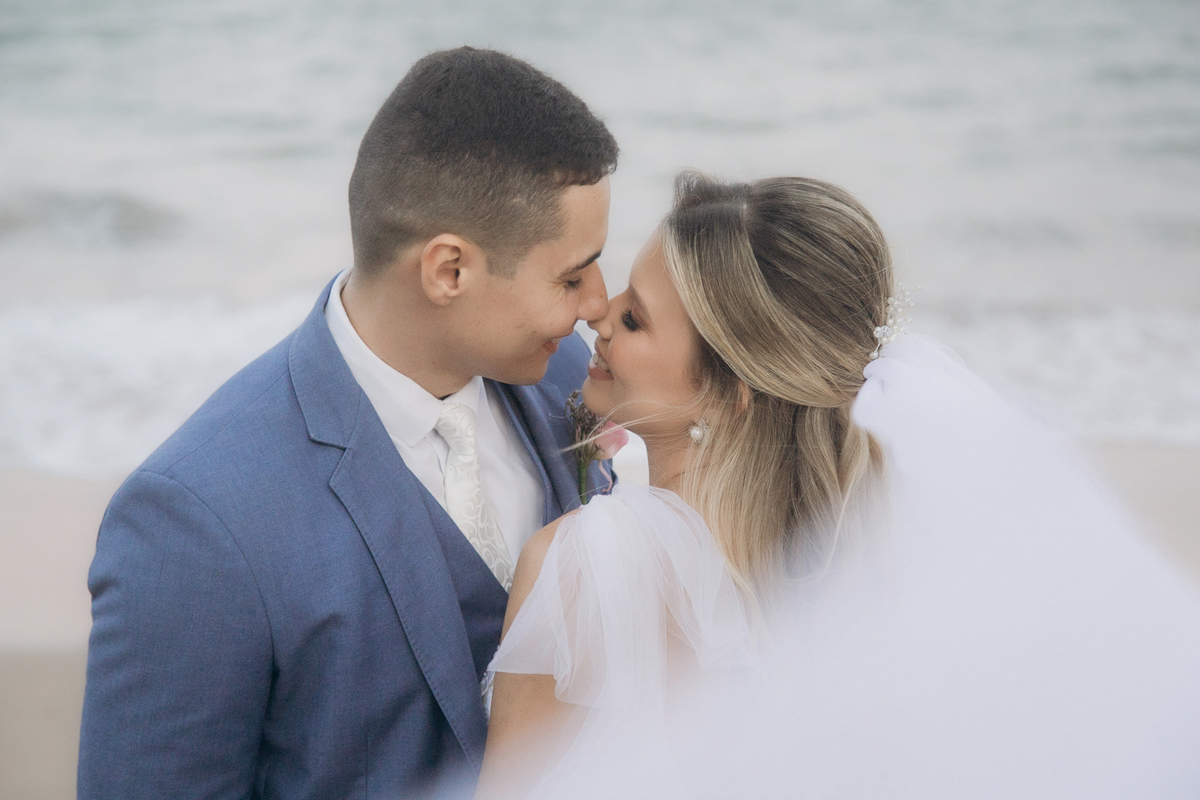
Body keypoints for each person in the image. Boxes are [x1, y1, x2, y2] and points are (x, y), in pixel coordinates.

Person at [476, 173, 1200, 799]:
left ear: (733, 391)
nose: (598, 316)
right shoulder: (870, 561)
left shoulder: (586, 565)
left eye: (635, 318)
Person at [78, 47, 619, 799]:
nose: (598, 304)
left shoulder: (566, 376)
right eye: (571, 275)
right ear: (449, 270)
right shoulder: (196, 522)